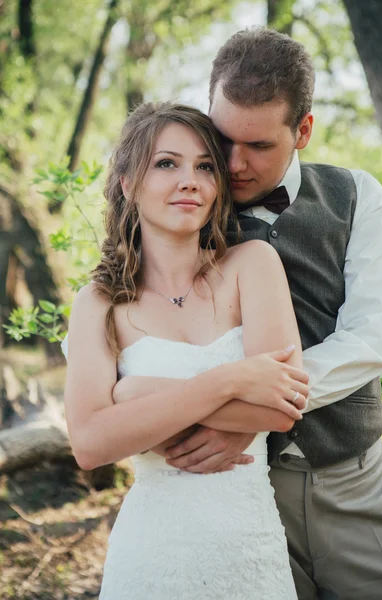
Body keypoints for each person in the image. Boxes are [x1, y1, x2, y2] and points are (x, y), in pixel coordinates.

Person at [160, 29, 382, 600]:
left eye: (261, 146)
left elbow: (373, 335)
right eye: (223, 139)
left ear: (304, 131)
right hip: (232, 493)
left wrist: (253, 410)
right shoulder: (173, 204)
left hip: (351, 480)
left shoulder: (356, 195)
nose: (236, 164)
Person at [62, 101, 311, 599]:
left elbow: (281, 407)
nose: (189, 180)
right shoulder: (99, 303)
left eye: (204, 166)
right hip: (150, 557)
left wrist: (134, 395)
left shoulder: (253, 266)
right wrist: (229, 380)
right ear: (129, 183)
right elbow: (90, 444)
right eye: (166, 163)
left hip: (250, 552)